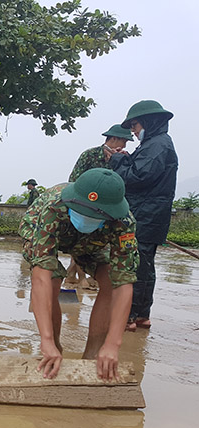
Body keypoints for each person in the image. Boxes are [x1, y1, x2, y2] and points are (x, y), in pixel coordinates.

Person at [18, 168, 138, 381]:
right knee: (53, 280)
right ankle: (53, 349)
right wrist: (46, 339)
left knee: (110, 280)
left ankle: (93, 355)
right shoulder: (53, 208)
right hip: (50, 228)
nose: (87, 218)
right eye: (84, 212)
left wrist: (113, 344)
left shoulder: (123, 222)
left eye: (93, 214)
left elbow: (124, 283)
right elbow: (41, 278)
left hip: (97, 240)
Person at [105, 100, 179, 331]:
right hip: (151, 214)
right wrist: (126, 158)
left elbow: (137, 178)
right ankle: (141, 315)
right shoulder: (155, 144)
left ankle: (128, 315)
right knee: (145, 266)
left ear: (148, 122)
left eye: (135, 125)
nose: (133, 131)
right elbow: (142, 172)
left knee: (133, 264)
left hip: (145, 215)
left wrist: (116, 160)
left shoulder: (157, 145)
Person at [68, 124, 134, 182]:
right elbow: (73, 180)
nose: (124, 146)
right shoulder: (90, 155)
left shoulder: (124, 158)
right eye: (124, 142)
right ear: (114, 138)